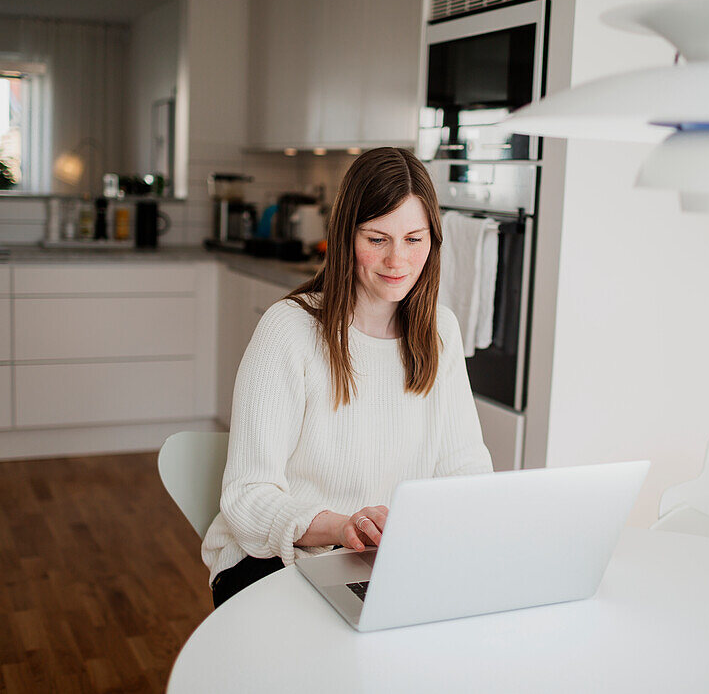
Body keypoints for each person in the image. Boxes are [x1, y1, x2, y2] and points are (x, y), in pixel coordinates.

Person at [202, 147, 493, 607]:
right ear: (344, 237)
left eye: (414, 240)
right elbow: (245, 498)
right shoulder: (290, 330)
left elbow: (465, 467)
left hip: (382, 561)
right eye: (377, 239)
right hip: (276, 559)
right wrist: (342, 527)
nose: (398, 260)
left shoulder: (441, 331)